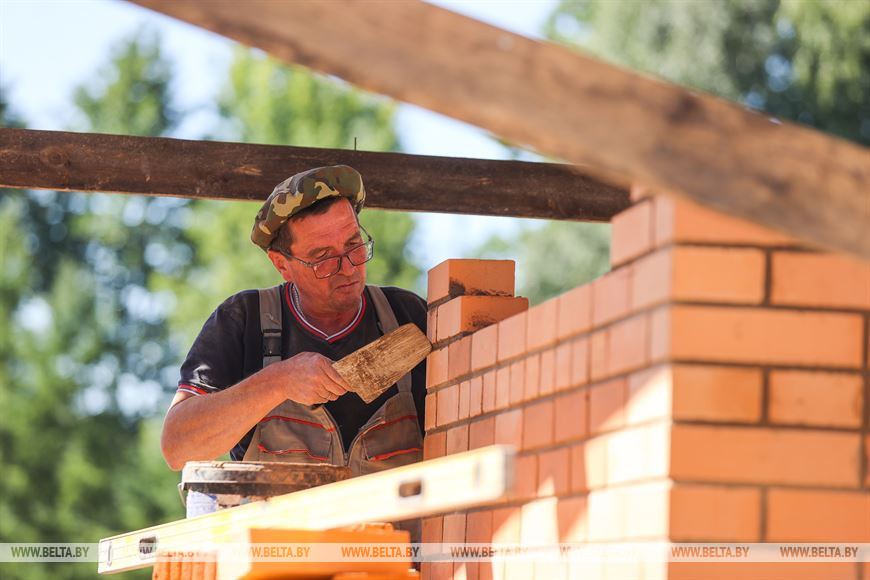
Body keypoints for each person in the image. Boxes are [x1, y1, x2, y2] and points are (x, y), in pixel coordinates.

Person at [160, 165, 427, 477]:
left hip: (391, 526)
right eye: (324, 257)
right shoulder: (244, 320)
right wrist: (278, 381)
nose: (348, 268)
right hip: (281, 527)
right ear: (282, 265)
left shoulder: (407, 316)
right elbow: (177, 447)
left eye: (354, 245)